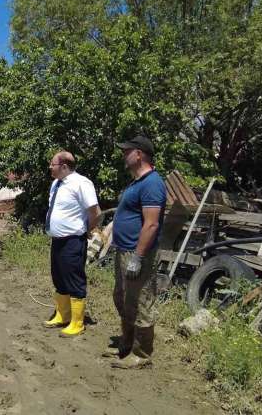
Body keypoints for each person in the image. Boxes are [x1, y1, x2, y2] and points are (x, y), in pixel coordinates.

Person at [106, 135, 166, 368]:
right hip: (123, 250)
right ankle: (126, 343)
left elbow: (151, 224)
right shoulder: (137, 182)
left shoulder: (152, 183)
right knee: (121, 298)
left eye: (127, 150)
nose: (123, 154)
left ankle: (142, 355)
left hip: (136, 253)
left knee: (141, 302)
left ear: (139, 154)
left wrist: (139, 258)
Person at [43, 151, 101, 337]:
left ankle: (77, 322)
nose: (50, 168)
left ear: (64, 166)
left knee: (74, 279)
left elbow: (95, 211)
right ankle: (63, 315)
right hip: (57, 240)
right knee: (59, 278)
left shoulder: (81, 183)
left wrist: (88, 229)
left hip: (73, 240)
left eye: (52, 164)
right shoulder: (56, 184)